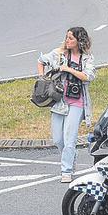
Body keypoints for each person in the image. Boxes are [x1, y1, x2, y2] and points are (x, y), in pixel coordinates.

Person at [37, 27, 95, 183]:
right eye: (67, 37)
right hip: (59, 101)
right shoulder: (59, 53)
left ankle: (66, 170)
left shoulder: (86, 58)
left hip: (77, 102)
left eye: (71, 38)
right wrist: (43, 78)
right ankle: (71, 156)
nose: (67, 40)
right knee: (57, 139)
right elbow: (41, 60)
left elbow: (87, 77)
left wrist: (68, 69)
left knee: (70, 138)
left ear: (79, 41)